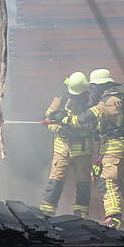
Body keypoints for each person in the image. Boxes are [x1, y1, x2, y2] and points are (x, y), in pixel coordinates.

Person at [62, 68, 124, 229]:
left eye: (93, 87)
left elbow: (83, 119)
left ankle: (113, 218)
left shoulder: (106, 103)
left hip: (114, 149)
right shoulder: (121, 97)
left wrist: (64, 119)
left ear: (100, 86)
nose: (92, 91)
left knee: (107, 182)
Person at [38, 72, 95, 218]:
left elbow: (95, 124)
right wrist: (60, 130)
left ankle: (81, 216)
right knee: (55, 182)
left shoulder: (91, 101)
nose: (75, 97)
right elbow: (46, 120)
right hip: (62, 150)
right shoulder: (61, 99)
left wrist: (79, 131)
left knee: (83, 184)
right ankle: (46, 214)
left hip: (83, 151)